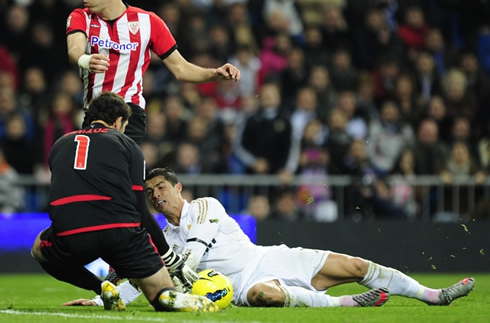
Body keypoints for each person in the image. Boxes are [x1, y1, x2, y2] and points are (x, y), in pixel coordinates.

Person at [66, 167, 474, 308]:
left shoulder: (206, 206)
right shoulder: (164, 238)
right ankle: (346, 304)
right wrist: (105, 295)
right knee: (266, 297)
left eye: (161, 188)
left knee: (355, 265)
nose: (156, 196)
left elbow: (186, 261)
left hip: (267, 258)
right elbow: (153, 279)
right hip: (239, 287)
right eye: (150, 193)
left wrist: (167, 271)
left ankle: (432, 295)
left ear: (179, 188)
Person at [30, 92, 218, 313]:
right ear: (119, 121)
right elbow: (141, 209)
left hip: (74, 233)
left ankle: (101, 288)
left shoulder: (60, 145)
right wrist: (168, 256)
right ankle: (168, 297)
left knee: (37, 249)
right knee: (162, 292)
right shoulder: (128, 145)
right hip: (120, 232)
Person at [66, 0, 240, 144]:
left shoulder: (149, 22)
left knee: (121, 170)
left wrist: (215, 73)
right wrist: (86, 60)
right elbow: (74, 49)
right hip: (94, 114)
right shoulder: (81, 17)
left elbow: (180, 69)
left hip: (129, 114)